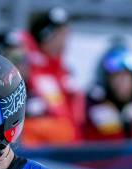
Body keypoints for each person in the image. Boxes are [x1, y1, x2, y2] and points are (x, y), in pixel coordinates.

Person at [22, 7, 84, 146]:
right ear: (46, 36)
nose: (65, 40)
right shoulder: (28, 72)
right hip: (43, 157)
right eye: (59, 34)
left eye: (66, 34)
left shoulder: (65, 72)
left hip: (71, 155)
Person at [84, 41, 132, 141]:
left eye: (127, 77)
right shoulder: (90, 111)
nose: (123, 83)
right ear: (106, 80)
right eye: (117, 77)